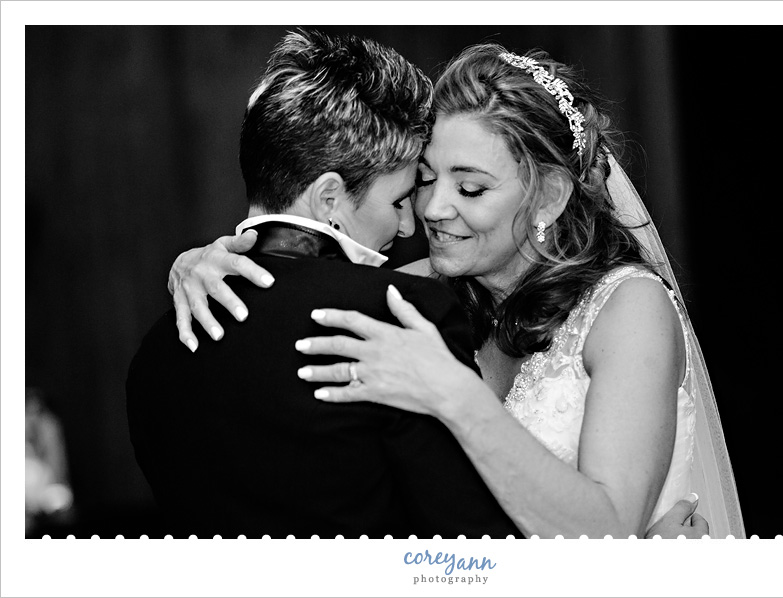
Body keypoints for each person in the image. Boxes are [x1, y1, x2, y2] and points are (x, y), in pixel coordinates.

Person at [168, 39, 733, 538]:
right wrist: (201, 262)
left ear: (551, 196)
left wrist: (453, 396)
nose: (435, 209)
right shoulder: (407, 293)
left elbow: (607, 532)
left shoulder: (627, 307)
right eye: (427, 179)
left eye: (470, 187)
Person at [126, 29, 522, 539]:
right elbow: (473, 542)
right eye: (400, 201)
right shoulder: (402, 313)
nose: (408, 227)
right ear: (329, 199)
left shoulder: (155, 355)